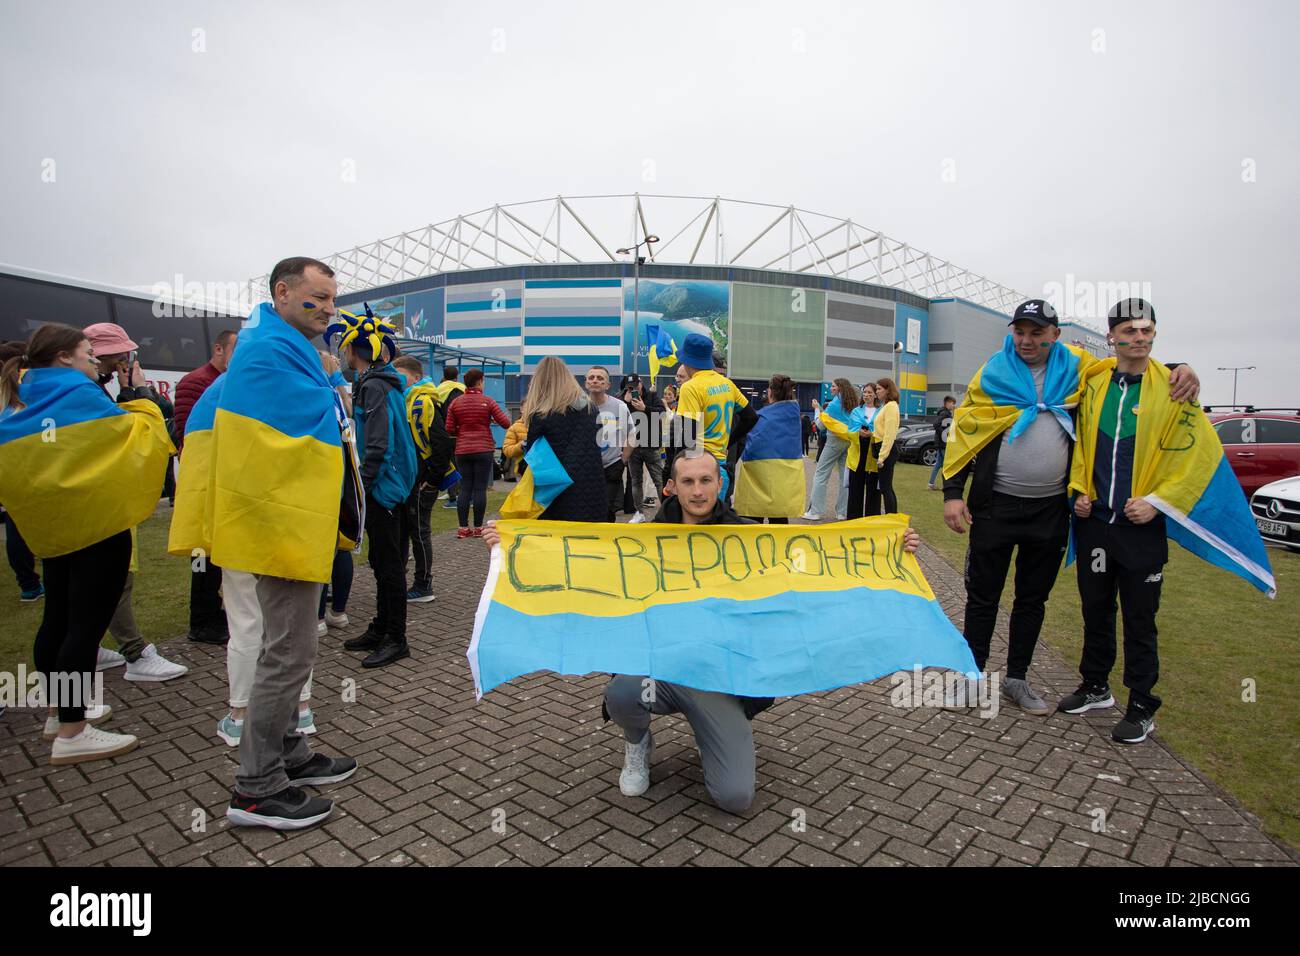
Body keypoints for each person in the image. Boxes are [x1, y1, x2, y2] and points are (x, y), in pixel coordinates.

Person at [481, 451, 921, 814]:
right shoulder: (647, 539)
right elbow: (581, 566)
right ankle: (638, 744)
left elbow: (810, 570)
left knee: (735, 798)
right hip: (663, 674)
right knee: (620, 695)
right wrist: (512, 547)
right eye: (687, 481)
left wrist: (886, 549)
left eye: (705, 480)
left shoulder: (748, 538)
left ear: (719, 484)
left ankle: (722, 731)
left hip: (720, 681)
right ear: (671, 487)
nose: (697, 490)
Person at [941, 299, 1200, 717]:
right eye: (1020, 332)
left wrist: (1180, 368)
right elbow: (965, 432)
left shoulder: (1081, 368)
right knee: (982, 597)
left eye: (1037, 333)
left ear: (1055, 335)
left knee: (1032, 599)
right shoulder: (991, 373)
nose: (1026, 341)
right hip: (995, 508)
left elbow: (1132, 362)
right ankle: (972, 678)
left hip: (1049, 511)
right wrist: (953, 492)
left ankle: (1017, 679)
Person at [201, 257, 358, 830]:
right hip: (279, 523)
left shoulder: (278, 344)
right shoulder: (269, 350)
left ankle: (289, 752)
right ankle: (256, 787)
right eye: (317, 298)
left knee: (291, 647)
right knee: (287, 652)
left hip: (291, 518)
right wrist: (334, 382)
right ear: (282, 292)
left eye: (333, 300)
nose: (328, 310)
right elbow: (320, 419)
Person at [0, 323, 172, 764]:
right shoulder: (77, 394)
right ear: (63, 357)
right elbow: (136, 440)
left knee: (56, 619)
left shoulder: (20, 397)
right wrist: (140, 398)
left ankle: (60, 715)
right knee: (85, 628)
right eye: (88, 356)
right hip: (96, 526)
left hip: (55, 529)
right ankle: (75, 732)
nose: (95, 363)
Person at [1061, 299, 1228, 744]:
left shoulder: (1175, 388)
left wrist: (1157, 502)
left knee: (1140, 618)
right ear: (1111, 335)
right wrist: (1080, 491)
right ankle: (1095, 686)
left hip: (1142, 530)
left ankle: (1141, 705)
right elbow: (1081, 444)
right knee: (1095, 610)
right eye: (1129, 331)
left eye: (1147, 331)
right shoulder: (1093, 380)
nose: (1139, 338)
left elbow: (1192, 458)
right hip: (1096, 523)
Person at [80, 323, 189, 681]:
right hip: (98, 504)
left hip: (96, 501)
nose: (125, 360)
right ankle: (135, 653)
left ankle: (89, 648)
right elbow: (145, 430)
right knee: (114, 576)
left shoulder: (92, 390)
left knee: (88, 581)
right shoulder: (86, 393)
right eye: (119, 355)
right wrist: (138, 390)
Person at [328, 307, 419, 668]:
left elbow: (377, 444)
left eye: (345, 348)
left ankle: (396, 637)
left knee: (389, 564)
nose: (341, 354)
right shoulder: (380, 382)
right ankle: (382, 627)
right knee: (383, 562)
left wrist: (361, 489)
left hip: (384, 490)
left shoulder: (375, 386)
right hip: (389, 487)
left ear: (356, 350)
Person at [172, 329, 238, 645]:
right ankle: (202, 621)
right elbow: (189, 435)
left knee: (217, 555)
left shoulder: (232, 381)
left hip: (219, 481)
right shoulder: (195, 382)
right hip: (201, 481)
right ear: (219, 350)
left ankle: (214, 613)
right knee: (201, 558)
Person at [516, 356, 606, 521]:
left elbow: (533, 455)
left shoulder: (541, 415)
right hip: (592, 489)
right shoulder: (590, 409)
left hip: (554, 492)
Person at [673, 334, 757, 502]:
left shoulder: (690, 388)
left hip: (699, 469)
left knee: (696, 522)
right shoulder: (727, 384)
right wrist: (728, 441)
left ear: (688, 361)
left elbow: (687, 437)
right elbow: (751, 417)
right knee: (717, 522)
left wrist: (678, 472)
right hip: (720, 469)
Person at [393, 355, 447, 604]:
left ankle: (423, 584)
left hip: (422, 480)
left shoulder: (423, 402)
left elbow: (440, 442)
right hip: (410, 479)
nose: (397, 380)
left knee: (420, 531)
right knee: (408, 530)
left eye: (401, 375)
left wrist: (432, 479)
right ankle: (407, 581)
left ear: (415, 377)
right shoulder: (407, 400)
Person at [444, 368, 510, 537]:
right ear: (480, 382)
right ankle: (479, 527)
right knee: (480, 489)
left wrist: (462, 431)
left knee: (465, 487)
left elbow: (449, 428)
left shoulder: (456, 402)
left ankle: (463, 528)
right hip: (483, 448)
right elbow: (505, 423)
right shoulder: (488, 401)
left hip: (463, 449)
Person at [734, 373, 806, 524]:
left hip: (758, 475)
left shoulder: (759, 417)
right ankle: (780, 546)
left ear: (770, 392)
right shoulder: (793, 415)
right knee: (779, 516)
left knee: (753, 516)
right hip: (784, 475)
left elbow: (752, 442)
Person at [803, 379, 858, 521]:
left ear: (840, 388)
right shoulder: (852, 403)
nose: (831, 388)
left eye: (833, 386)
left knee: (821, 474)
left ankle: (815, 511)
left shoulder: (834, 404)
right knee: (844, 478)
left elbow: (821, 425)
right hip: (849, 441)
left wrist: (817, 408)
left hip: (834, 441)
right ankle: (842, 512)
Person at [584, 366, 632, 522]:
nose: (595, 381)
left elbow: (632, 434)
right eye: (591, 378)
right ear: (586, 383)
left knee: (605, 510)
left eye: (600, 378)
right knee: (586, 509)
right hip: (586, 467)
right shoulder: (577, 406)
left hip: (611, 466)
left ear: (607, 385)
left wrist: (623, 460)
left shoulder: (619, 406)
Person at [621, 373, 666, 523]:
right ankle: (639, 513)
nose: (634, 389)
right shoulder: (623, 399)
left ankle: (666, 511)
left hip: (651, 444)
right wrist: (625, 403)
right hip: (633, 446)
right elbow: (619, 418)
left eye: (636, 385)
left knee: (659, 480)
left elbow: (662, 413)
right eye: (630, 387)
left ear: (641, 383)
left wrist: (645, 408)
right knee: (636, 481)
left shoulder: (652, 396)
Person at [865, 377, 901, 516]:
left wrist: (882, 456)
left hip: (886, 450)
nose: (877, 391)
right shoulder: (887, 406)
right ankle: (890, 516)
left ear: (887, 390)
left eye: (879, 389)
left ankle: (892, 517)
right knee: (885, 487)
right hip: (880, 447)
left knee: (886, 487)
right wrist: (872, 434)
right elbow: (882, 430)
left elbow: (890, 434)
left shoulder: (891, 406)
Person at [844, 382, 879, 519]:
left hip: (873, 453)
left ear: (875, 394)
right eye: (865, 392)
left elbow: (882, 431)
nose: (867, 395)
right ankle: (853, 519)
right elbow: (849, 431)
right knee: (855, 489)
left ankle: (872, 519)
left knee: (873, 490)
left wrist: (872, 434)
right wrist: (858, 433)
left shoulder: (881, 411)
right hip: (858, 452)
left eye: (870, 392)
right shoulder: (856, 411)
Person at [436, 366, 467, 510]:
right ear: (457, 376)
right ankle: (466, 494)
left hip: (445, 434)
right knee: (463, 464)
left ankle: (452, 496)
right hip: (462, 433)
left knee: (449, 464)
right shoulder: (463, 390)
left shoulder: (438, 391)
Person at [928, 395, 956, 490]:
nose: (954, 405)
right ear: (947, 403)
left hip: (941, 442)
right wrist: (944, 434)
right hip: (943, 443)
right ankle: (946, 485)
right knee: (947, 464)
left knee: (939, 464)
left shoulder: (945, 413)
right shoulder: (945, 413)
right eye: (953, 403)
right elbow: (936, 424)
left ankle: (931, 484)